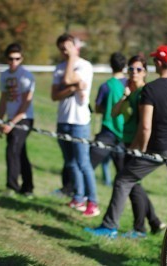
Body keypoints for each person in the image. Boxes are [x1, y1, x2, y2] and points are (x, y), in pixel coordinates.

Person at [85, 45, 167, 238]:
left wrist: (137, 149)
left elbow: (146, 126)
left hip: (158, 148)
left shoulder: (150, 89)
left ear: (158, 63)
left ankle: (109, 226)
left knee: (124, 180)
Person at [111, 55, 166, 238]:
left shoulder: (144, 92)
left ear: (145, 72)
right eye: (131, 69)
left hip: (135, 144)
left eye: (138, 69)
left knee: (131, 184)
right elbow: (114, 113)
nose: (134, 72)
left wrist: (137, 147)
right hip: (125, 141)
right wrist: (125, 95)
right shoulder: (130, 91)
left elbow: (145, 124)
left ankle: (140, 227)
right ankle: (154, 222)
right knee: (133, 185)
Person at [51, 33, 99, 217]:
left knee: (83, 163)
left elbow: (66, 79)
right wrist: (73, 88)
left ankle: (92, 202)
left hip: (79, 122)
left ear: (75, 46)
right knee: (70, 163)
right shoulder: (59, 67)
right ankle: (78, 197)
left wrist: (72, 59)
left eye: (68, 47)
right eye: (62, 48)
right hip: (63, 120)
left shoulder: (84, 65)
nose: (65, 51)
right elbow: (54, 95)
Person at [0, 43, 35, 198]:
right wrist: (0, 120)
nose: (14, 62)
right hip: (9, 120)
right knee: (20, 153)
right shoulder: (4, 76)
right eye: (11, 59)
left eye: (17, 59)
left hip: (24, 120)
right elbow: (3, 100)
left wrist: (12, 123)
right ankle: (28, 188)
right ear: (7, 59)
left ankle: (12, 187)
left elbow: (26, 104)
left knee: (12, 151)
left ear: (21, 59)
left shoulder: (26, 76)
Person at [89, 52, 127, 186]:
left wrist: (110, 109)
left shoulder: (106, 86)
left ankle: (73, 192)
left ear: (111, 66)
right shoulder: (131, 84)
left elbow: (98, 109)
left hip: (107, 131)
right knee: (125, 176)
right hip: (126, 134)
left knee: (88, 166)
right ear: (125, 66)